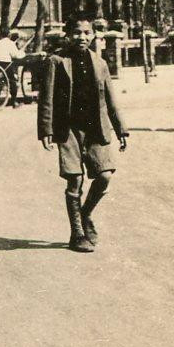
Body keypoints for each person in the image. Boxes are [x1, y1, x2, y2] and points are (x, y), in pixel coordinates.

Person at [37, 15, 129, 252]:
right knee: (74, 179)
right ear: (68, 35)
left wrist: (121, 129)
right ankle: (76, 233)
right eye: (77, 33)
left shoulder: (100, 63)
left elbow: (110, 99)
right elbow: (46, 98)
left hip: (95, 128)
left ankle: (85, 213)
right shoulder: (56, 61)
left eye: (87, 33)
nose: (82, 37)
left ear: (94, 35)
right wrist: (45, 129)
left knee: (105, 175)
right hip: (67, 129)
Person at [0, 29, 23, 101]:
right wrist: (22, 53)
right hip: (6, 64)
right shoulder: (11, 43)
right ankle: (14, 101)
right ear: (9, 35)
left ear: (1, 35)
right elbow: (15, 55)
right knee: (12, 81)